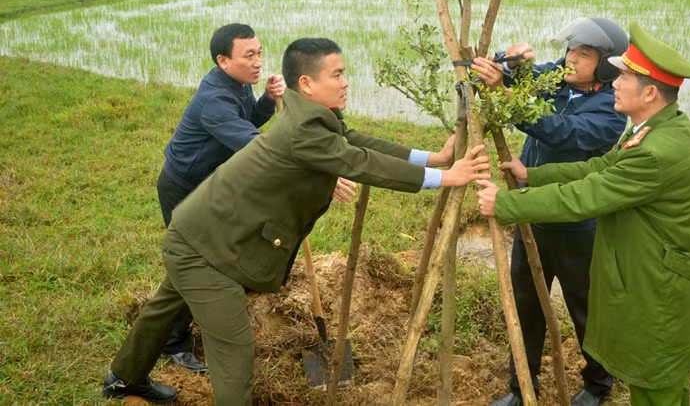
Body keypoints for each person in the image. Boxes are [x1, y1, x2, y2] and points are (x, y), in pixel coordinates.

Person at [101, 37, 491, 404]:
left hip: (206, 231)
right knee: (235, 349)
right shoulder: (304, 128)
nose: (345, 82)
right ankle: (132, 379)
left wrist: (433, 158)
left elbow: (353, 141)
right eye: (337, 74)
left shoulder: (313, 114)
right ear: (306, 83)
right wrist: (445, 177)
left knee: (164, 310)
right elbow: (360, 162)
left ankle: (123, 378)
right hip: (204, 250)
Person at [477, 22, 690, 406]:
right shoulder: (654, 129)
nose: (616, 83)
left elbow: (586, 193)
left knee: (651, 377)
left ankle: (597, 385)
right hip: (649, 277)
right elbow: (599, 168)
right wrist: (533, 174)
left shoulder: (651, 148)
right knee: (659, 380)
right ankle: (522, 386)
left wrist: (506, 204)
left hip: (655, 287)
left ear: (649, 92)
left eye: (623, 76)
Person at [155, 24, 355, 372]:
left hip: (213, 185)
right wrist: (319, 169)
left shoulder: (238, 84)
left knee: (215, 256)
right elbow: (254, 144)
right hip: (185, 188)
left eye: (259, 53)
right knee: (193, 263)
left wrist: (264, 100)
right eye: (249, 55)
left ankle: (202, 312)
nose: (258, 61)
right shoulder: (214, 101)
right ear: (223, 61)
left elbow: (248, 118)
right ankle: (174, 343)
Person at [471, 18, 628, 406]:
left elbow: (562, 132)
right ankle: (521, 386)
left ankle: (598, 384)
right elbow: (504, 76)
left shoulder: (611, 109)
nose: (571, 58)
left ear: (606, 66)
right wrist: (508, 60)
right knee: (526, 307)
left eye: (584, 54)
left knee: (585, 309)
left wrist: (509, 97)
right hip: (532, 215)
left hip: (578, 227)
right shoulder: (556, 77)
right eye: (571, 49)